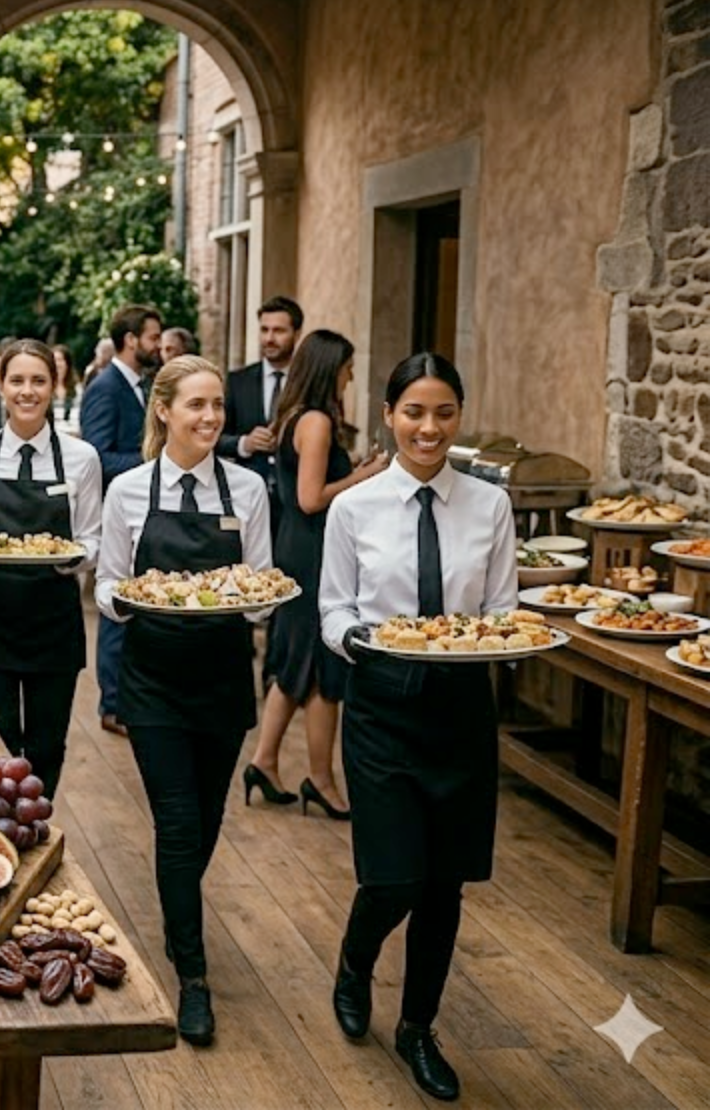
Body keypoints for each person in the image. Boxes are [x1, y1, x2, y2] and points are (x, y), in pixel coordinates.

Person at [321, 353, 511, 1102]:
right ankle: (354, 963)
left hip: (464, 707)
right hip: (383, 704)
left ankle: (418, 1029)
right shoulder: (354, 508)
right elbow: (335, 609)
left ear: (459, 416)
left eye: (443, 413)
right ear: (389, 415)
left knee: (445, 883)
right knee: (394, 872)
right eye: (414, 413)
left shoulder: (490, 505)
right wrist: (364, 642)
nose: (428, 428)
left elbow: (500, 610)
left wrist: (494, 638)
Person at [94, 354, 272, 1047]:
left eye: (218, 406)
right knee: (176, 821)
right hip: (155, 678)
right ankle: (193, 976)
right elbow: (108, 585)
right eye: (195, 405)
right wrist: (137, 599)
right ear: (163, 410)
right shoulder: (129, 491)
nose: (209, 418)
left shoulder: (249, 489)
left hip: (225, 676)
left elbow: (260, 588)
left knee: (205, 817)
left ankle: (177, 914)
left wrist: (251, 601)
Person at [0, 340, 102, 797]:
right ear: (0, 385)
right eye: (17, 380)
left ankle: (37, 830)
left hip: (53, 623)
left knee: (46, 746)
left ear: (55, 386)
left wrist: (69, 557)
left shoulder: (82, 458)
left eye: (39, 380)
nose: (27, 391)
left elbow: (90, 542)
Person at [244, 331, 388, 817]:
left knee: (293, 659)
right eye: (348, 367)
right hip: (315, 550)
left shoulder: (292, 417)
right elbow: (311, 498)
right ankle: (322, 779)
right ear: (331, 368)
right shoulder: (318, 422)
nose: (352, 375)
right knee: (326, 667)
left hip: (299, 546)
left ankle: (264, 760)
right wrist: (366, 475)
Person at [80, 304, 161, 736]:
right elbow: (96, 454)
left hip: (142, 509)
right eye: (152, 338)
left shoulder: (140, 385)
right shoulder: (106, 386)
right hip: (119, 508)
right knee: (116, 605)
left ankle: (127, 697)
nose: (157, 346)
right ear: (131, 340)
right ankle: (111, 705)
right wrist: (151, 461)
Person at [217, 295, 303, 488]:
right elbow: (215, 437)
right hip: (247, 492)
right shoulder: (237, 381)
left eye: (279, 331)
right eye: (264, 330)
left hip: (296, 498)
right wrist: (244, 443)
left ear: (297, 334)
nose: (269, 339)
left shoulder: (309, 383)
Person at [53, 344, 77, 421]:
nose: (57, 364)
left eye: (60, 360)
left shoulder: (77, 389)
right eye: (54, 360)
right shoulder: (44, 388)